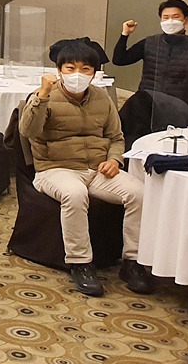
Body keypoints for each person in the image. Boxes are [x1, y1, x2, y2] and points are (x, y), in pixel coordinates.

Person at [21, 41, 151, 297]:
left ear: (94, 73)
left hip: (97, 169)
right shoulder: (44, 96)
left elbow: (116, 137)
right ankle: (80, 263)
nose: (77, 75)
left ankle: (133, 261)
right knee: (74, 194)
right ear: (59, 70)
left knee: (139, 193)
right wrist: (42, 96)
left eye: (85, 69)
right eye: (70, 68)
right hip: (55, 169)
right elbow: (28, 131)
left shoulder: (102, 98)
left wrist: (114, 160)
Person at [112, 0, 188, 108]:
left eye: (176, 17)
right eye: (165, 17)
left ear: (186, 20)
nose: (170, 21)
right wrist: (125, 34)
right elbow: (119, 60)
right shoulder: (150, 42)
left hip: (179, 106)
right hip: (148, 102)